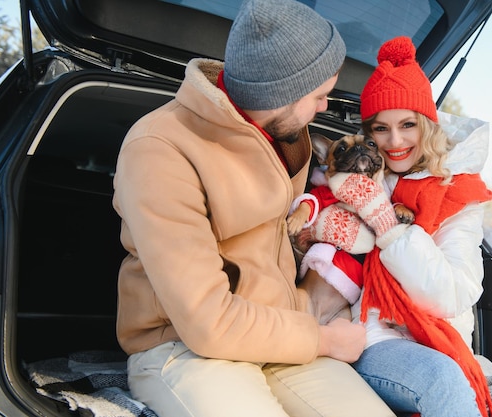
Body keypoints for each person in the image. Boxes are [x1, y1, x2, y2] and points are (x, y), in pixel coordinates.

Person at [111, 0, 397, 416]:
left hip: (285, 335)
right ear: (281, 90)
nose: (323, 108)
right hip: (186, 347)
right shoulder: (159, 147)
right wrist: (325, 340)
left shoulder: (286, 136)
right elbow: (206, 320)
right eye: (320, 95)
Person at [300, 36, 492, 417]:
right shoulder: (360, 176)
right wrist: (314, 230)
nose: (395, 142)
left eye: (407, 125)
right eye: (381, 129)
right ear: (369, 134)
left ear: (427, 125)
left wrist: (388, 225)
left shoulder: (458, 195)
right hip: (372, 335)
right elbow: (318, 225)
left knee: (448, 379)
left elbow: (450, 294)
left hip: (435, 337)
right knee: (442, 380)